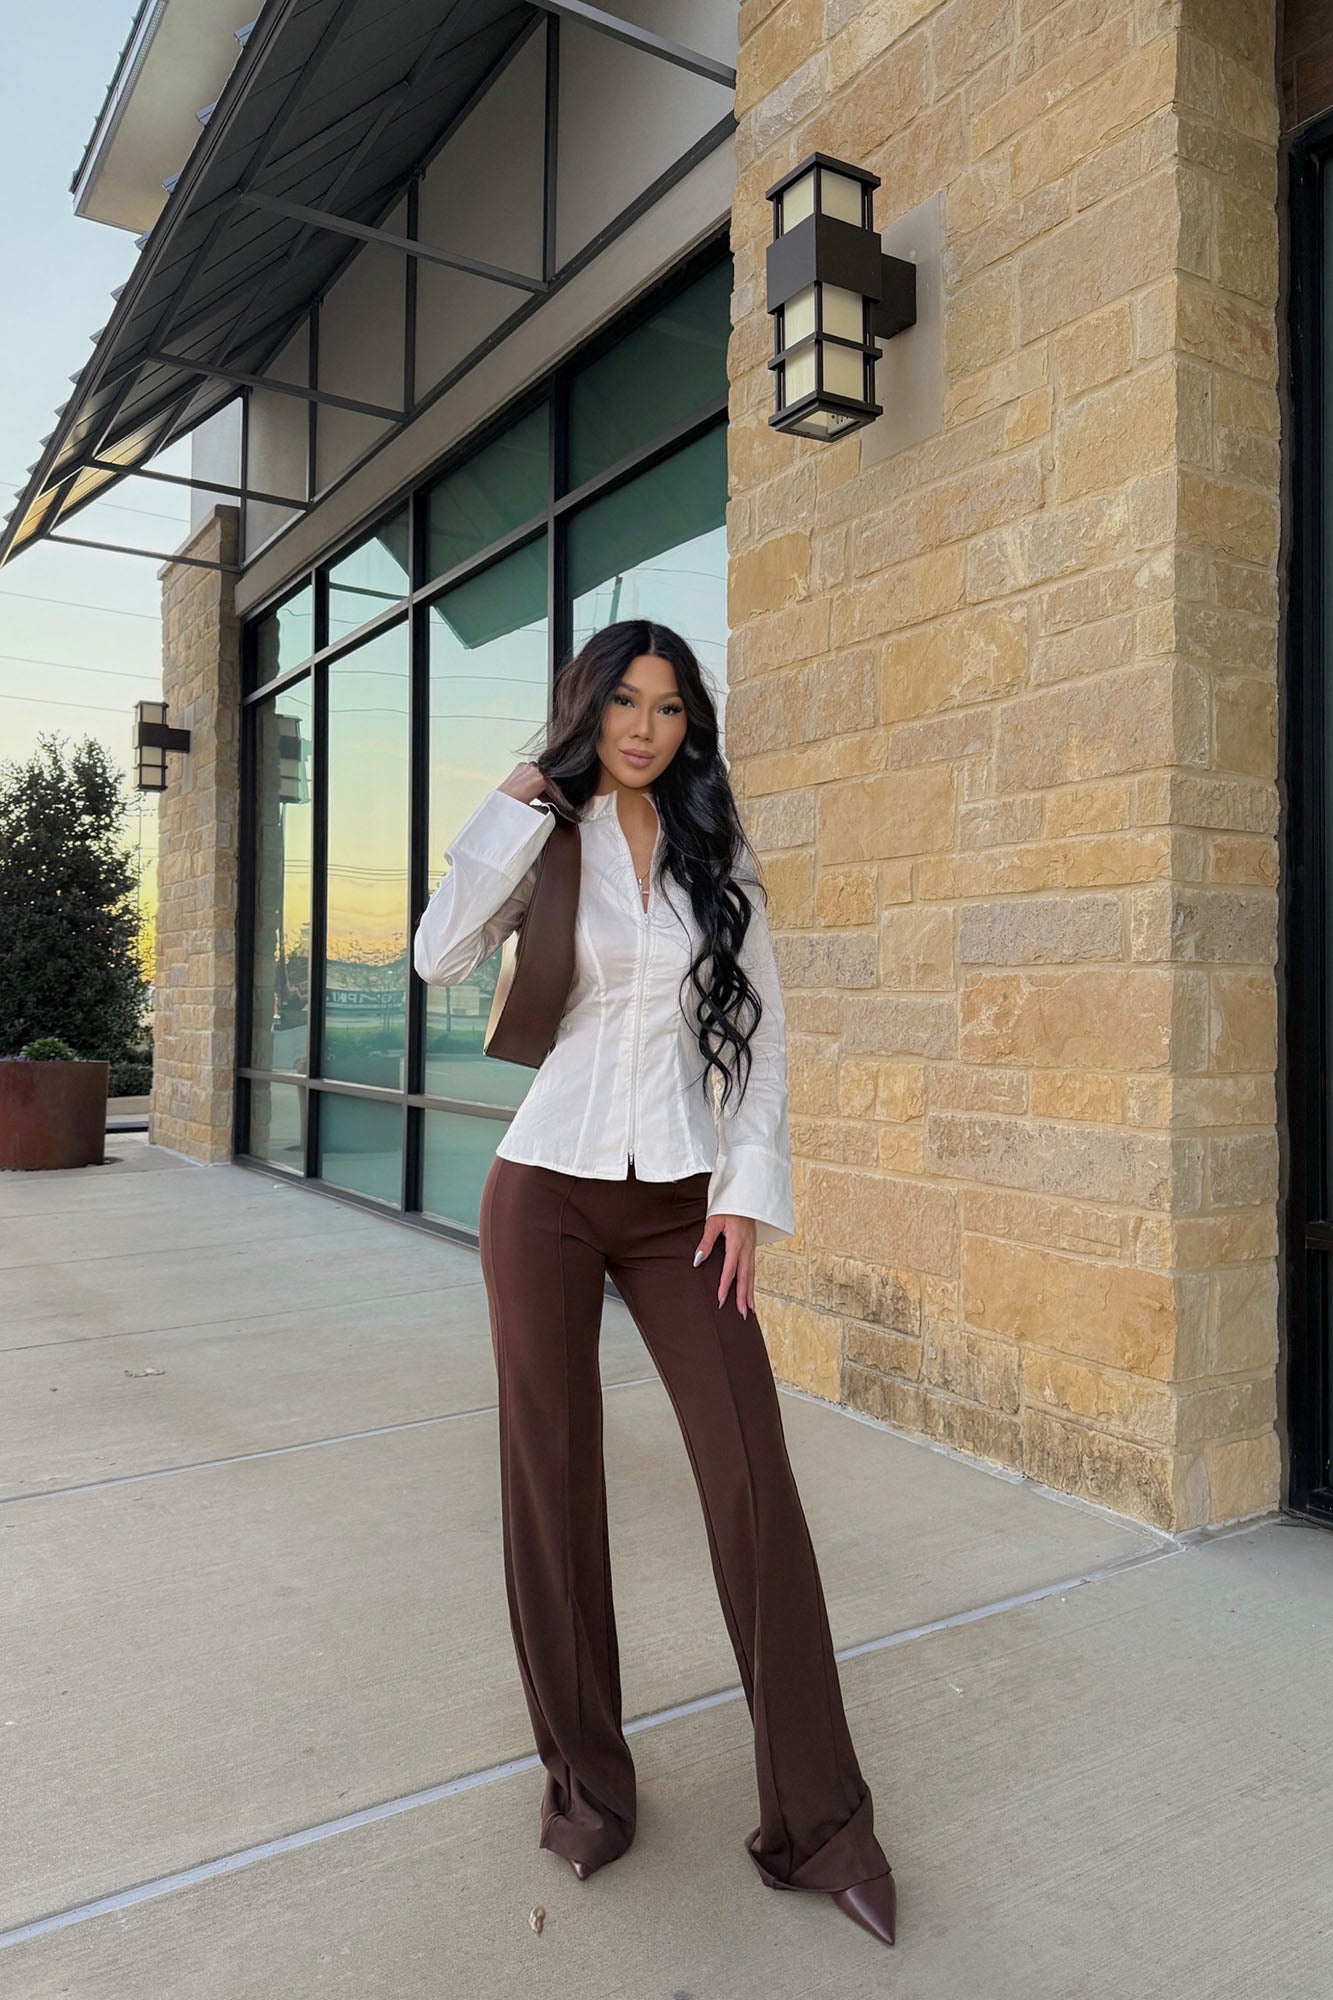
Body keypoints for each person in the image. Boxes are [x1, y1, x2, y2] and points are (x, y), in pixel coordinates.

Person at [413, 620, 897, 1947]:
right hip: (545, 1191)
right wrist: (512, 808)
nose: (644, 726)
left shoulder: (710, 850)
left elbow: (763, 1033)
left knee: (753, 1482)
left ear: (690, 726)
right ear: (588, 711)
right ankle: (588, 1793)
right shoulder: (544, 836)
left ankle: (821, 1825)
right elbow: (438, 955)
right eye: (624, 701)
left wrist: (746, 1189)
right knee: (551, 1481)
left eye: (670, 706)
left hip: (685, 1199)